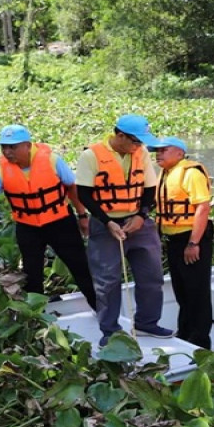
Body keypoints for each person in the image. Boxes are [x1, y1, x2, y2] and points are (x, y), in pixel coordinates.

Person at [0, 124, 96, 308]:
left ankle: (102, 311)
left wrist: (82, 216)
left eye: (13, 147)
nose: (7, 152)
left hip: (60, 223)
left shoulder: (52, 160)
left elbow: (72, 187)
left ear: (27, 145)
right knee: (32, 274)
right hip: (28, 227)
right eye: (4, 147)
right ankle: (37, 320)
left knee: (80, 267)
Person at [75, 114, 175, 347]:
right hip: (105, 224)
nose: (139, 146)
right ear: (120, 136)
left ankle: (147, 322)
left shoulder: (140, 154)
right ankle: (110, 330)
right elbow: (84, 194)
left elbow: (150, 190)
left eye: (141, 142)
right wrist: (107, 221)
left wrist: (142, 216)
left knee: (151, 275)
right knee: (107, 280)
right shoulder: (91, 155)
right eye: (135, 141)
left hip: (139, 223)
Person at [151, 136, 214, 349]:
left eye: (163, 150)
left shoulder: (191, 173)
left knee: (196, 291)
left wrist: (193, 243)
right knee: (182, 289)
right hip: (175, 239)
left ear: (179, 153)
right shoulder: (166, 173)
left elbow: (202, 208)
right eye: (156, 151)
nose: (158, 154)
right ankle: (186, 333)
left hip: (192, 238)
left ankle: (200, 341)